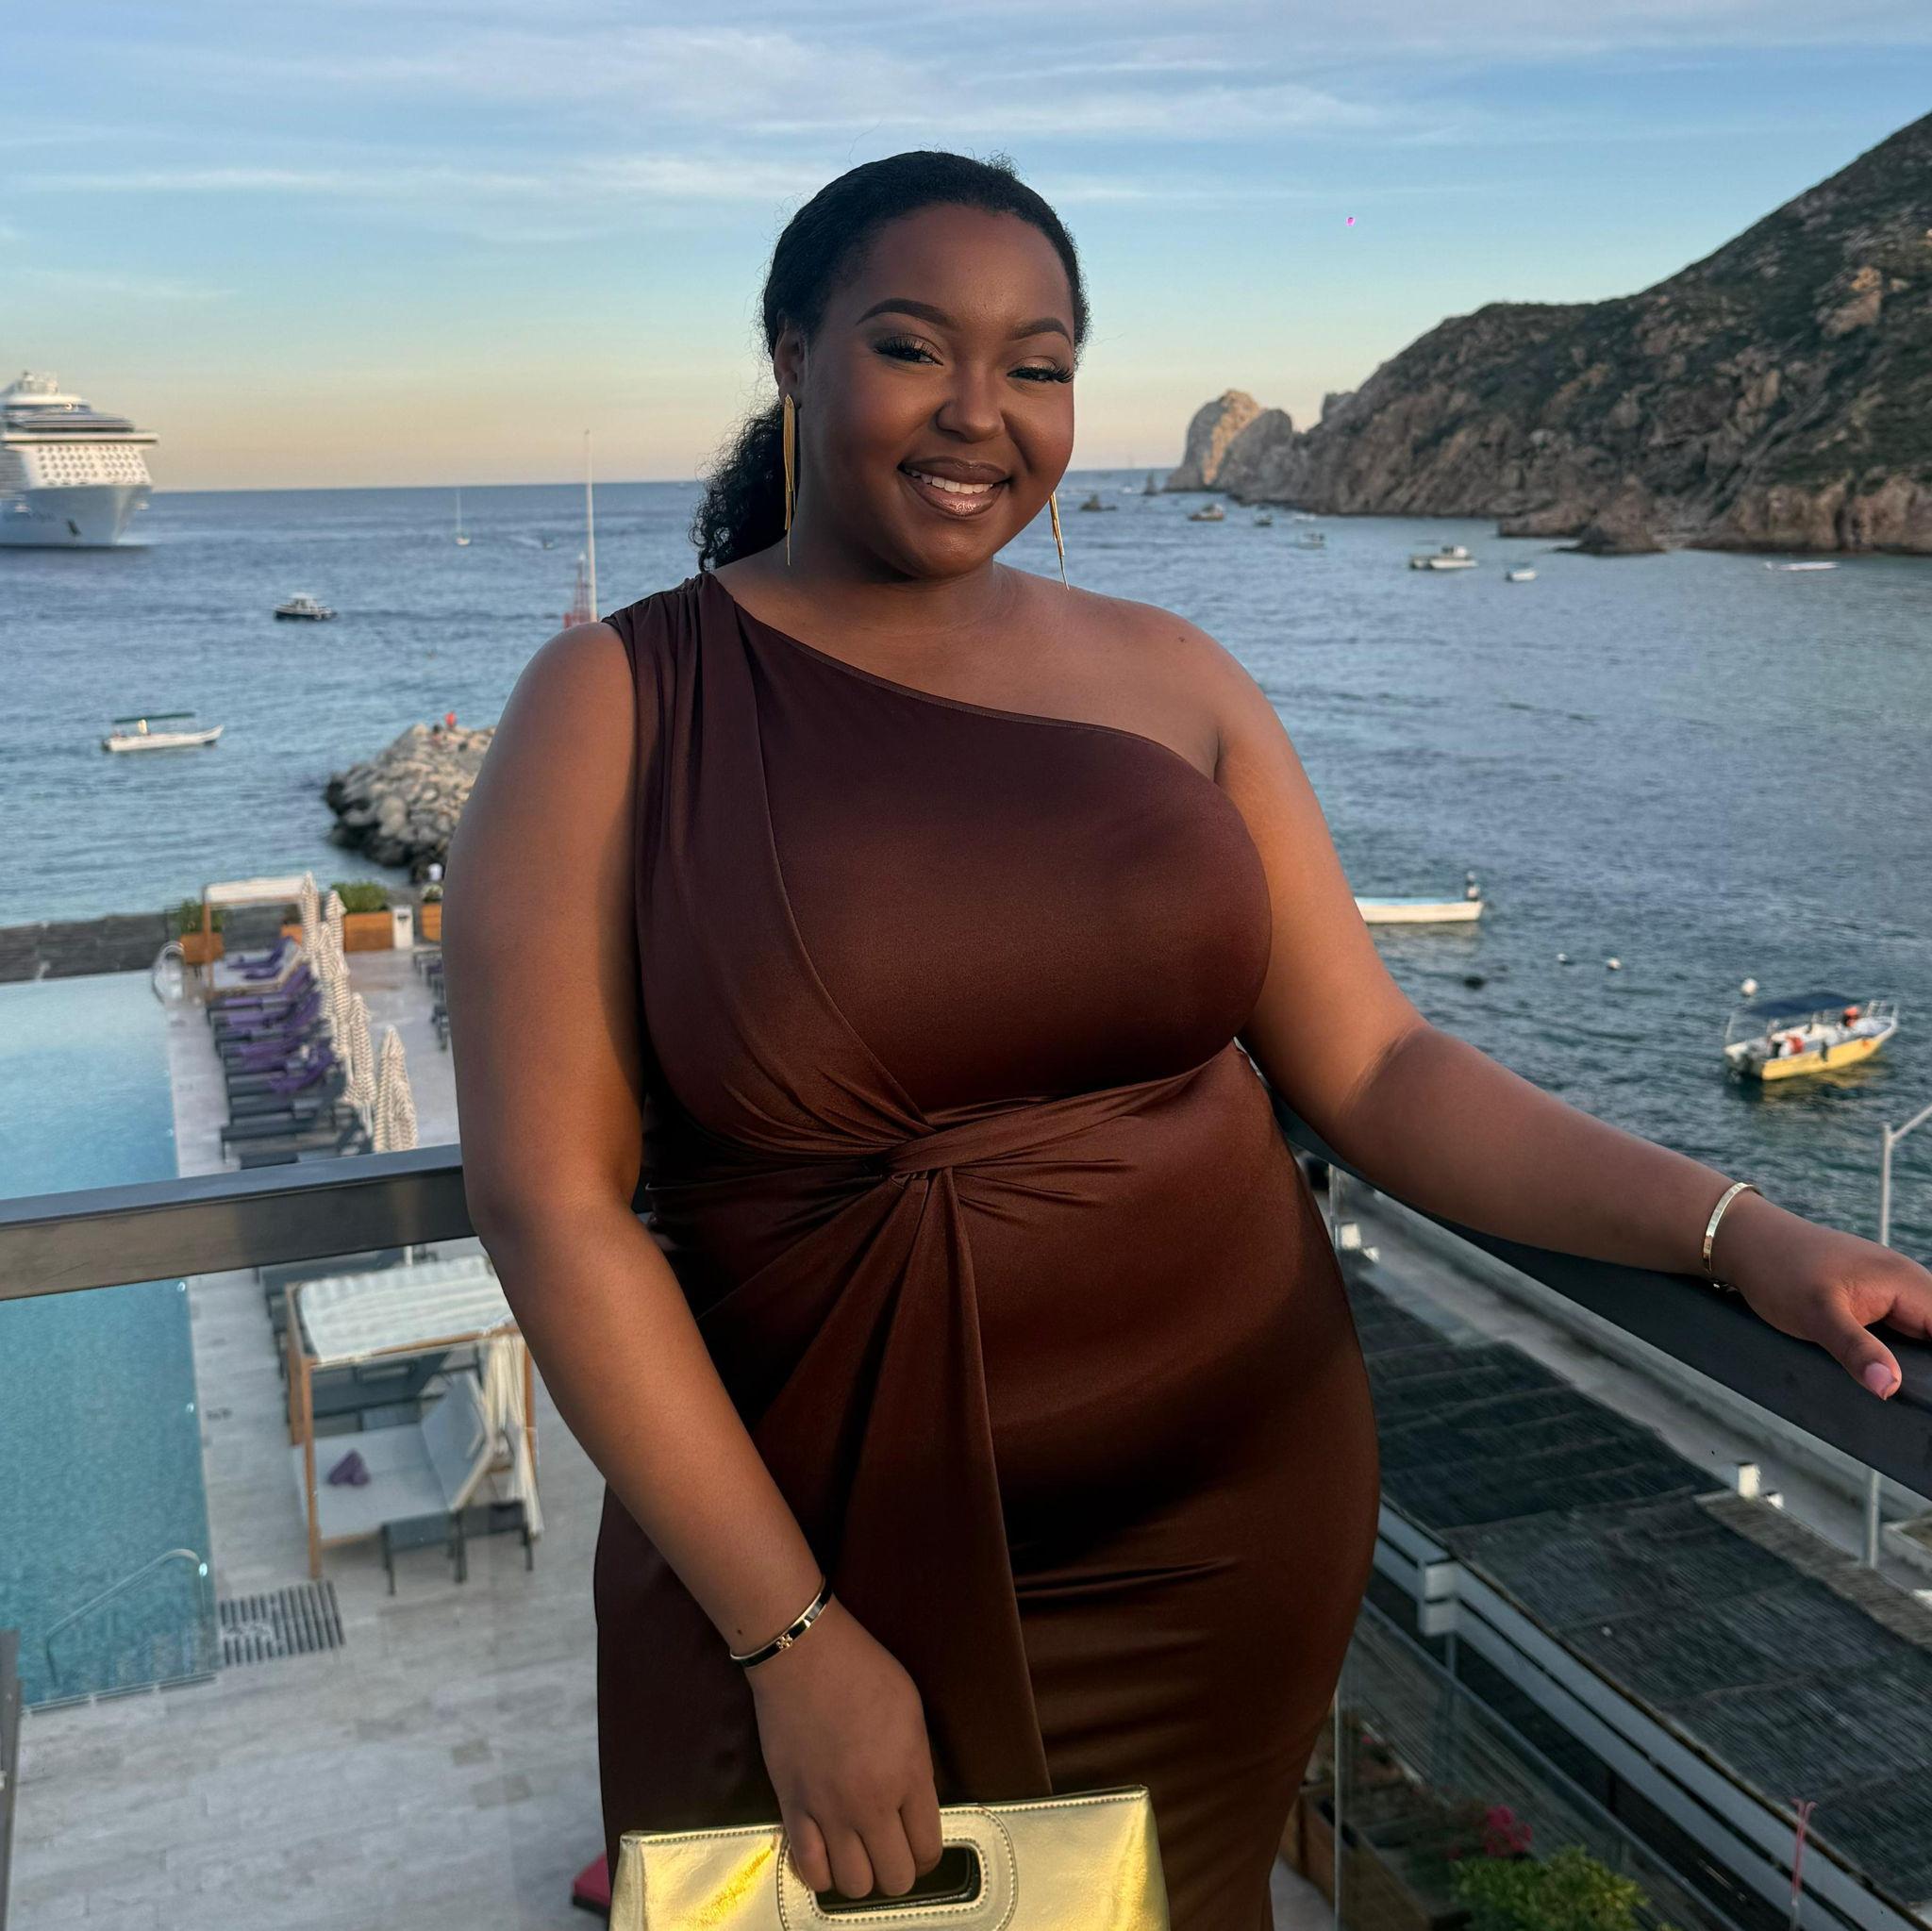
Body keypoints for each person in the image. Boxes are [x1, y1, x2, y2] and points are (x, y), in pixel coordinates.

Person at [439, 151, 1932, 1931]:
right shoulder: (618, 701)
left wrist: (1739, 1232)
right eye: (913, 348)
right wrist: (794, 1637)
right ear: (791, 354)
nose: (980, 413)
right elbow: (553, 1204)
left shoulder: (1176, 677)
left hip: (1232, 1525)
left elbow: (1378, 1070)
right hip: (820, 1549)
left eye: (1039, 365)